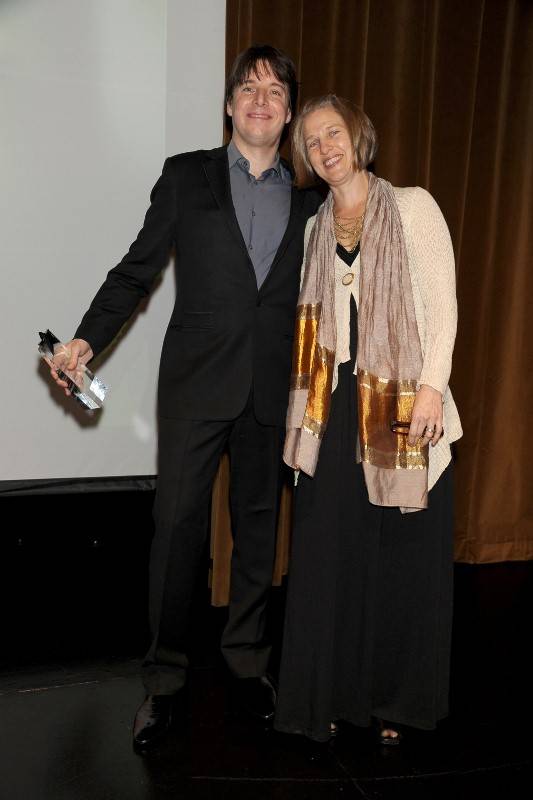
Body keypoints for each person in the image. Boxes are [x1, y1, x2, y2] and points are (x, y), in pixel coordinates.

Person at [48, 45, 321, 751]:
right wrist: (85, 340)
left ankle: (247, 663)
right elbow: (136, 271)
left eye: (275, 92)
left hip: (271, 390)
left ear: (289, 113)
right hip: (196, 385)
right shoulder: (185, 176)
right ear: (229, 105)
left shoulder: (310, 198)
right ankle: (165, 680)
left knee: (257, 535)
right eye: (248, 88)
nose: (260, 100)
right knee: (175, 533)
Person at [274, 95, 463, 746]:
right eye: (311, 141)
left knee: (400, 557)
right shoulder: (314, 229)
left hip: (405, 403)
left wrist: (431, 390)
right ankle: (329, 695)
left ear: (358, 135)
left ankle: (394, 702)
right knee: (332, 556)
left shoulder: (412, 207)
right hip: (333, 408)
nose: (325, 147)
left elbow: (443, 305)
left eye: (333, 133)